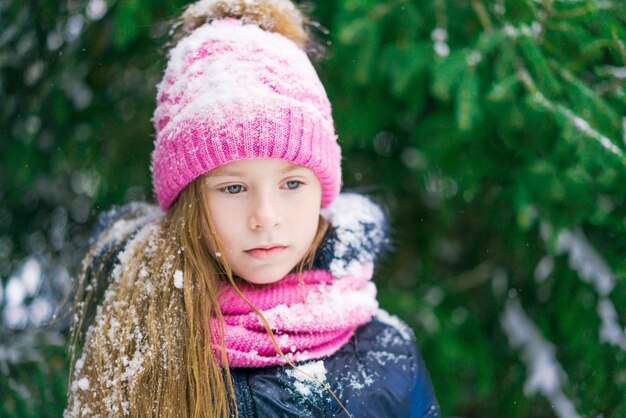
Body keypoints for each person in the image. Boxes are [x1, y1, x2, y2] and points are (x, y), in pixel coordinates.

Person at [65, 0, 440, 416]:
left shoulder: (387, 355)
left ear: (322, 189)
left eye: (292, 183)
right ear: (188, 201)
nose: (266, 215)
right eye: (233, 188)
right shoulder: (140, 342)